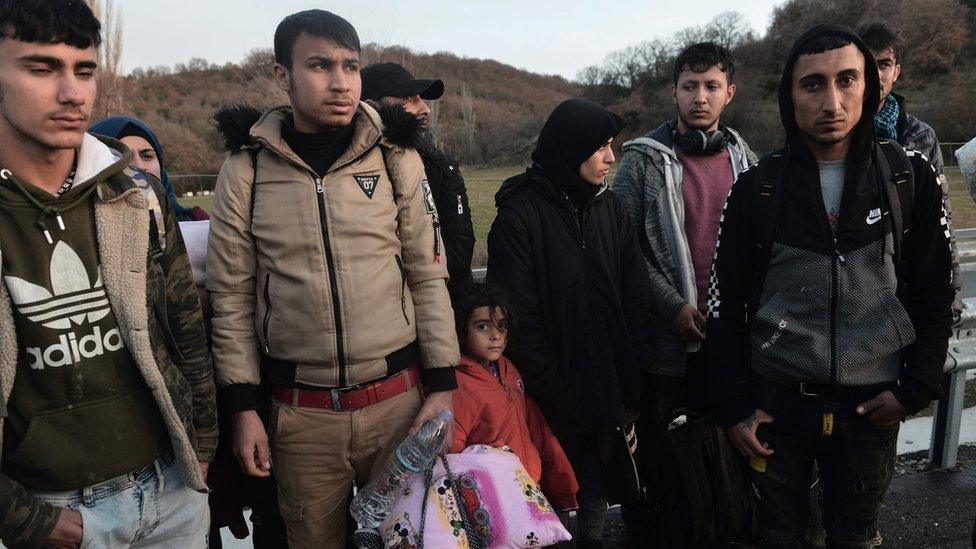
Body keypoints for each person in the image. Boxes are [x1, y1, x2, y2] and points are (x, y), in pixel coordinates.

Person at [207, 10, 459, 548]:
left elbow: (427, 273)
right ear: (282, 75)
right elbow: (230, 296)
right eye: (320, 65)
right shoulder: (245, 169)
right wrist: (243, 409)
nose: (341, 82)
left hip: (400, 406)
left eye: (351, 66)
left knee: (412, 538)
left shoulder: (397, 156)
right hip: (301, 417)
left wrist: (443, 385)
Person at [707, 24, 953, 547]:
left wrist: (915, 389)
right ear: (789, 94)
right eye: (813, 84)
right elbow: (724, 306)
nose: (832, 101)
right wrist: (734, 408)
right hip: (777, 407)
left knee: (857, 535)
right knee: (778, 536)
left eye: (847, 80)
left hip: (872, 406)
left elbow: (935, 291)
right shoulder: (756, 189)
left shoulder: (910, 178)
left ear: (870, 85)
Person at [0, 1, 217, 547]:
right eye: (41, 68)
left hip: (171, 491)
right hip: (53, 510)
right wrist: (23, 519)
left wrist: (201, 449)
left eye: (85, 70)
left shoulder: (132, 192)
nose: (73, 93)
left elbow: (184, 328)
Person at [487, 99, 654, 548]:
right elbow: (517, 317)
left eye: (612, 146)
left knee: (600, 485)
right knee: (554, 490)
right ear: (571, 148)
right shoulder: (519, 216)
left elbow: (635, 293)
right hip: (552, 393)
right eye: (601, 147)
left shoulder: (610, 208)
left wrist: (633, 369)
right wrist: (555, 390)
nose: (611, 158)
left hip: (610, 384)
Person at [612, 44, 756, 534]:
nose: (700, 97)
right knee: (663, 461)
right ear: (673, 91)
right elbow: (624, 251)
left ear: (729, 94)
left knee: (725, 456)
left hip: (730, 340)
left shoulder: (746, 161)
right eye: (690, 86)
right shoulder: (641, 163)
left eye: (712, 86)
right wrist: (671, 304)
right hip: (663, 346)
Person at [857, 20, 963, 317]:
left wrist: (951, 288)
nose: (876, 73)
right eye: (867, 62)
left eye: (884, 64)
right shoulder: (835, 134)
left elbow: (943, 212)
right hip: (860, 281)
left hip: (913, 273)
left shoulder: (920, 136)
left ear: (896, 71)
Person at [451, 282, 578, 512]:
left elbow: (537, 430)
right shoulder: (459, 384)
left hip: (529, 487)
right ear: (462, 331)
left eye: (502, 326)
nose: (495, 336)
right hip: (491, 500)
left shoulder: (508, 370)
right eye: (482, 327)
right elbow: (452, 454)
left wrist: (562, 484)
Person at [362, 62, 476, 300]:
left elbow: (460, 247)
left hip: (443, 305)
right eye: (407, 98)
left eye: (421, 98)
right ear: (370, 107)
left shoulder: (440, 165)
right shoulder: (346, 172)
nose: (425, 108)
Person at [89, 115, 209, 222]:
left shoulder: (200, 226)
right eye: (123, 158)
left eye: (147, 156)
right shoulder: (79, 237)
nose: (140, 166)